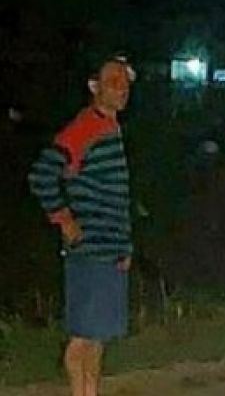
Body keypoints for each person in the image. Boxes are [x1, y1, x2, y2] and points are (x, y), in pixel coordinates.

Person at [28, 55, 135, 396]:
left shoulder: (110, 129)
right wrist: (65, 220)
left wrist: (123, 247)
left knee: (97, 338)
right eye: (112, 81)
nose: (121, 88)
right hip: (89, 252)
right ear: (94, 87)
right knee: (81, 341)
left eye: (125, 81)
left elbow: (115, 197)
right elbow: (42, 175)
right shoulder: (85, 128)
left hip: (108, 252)